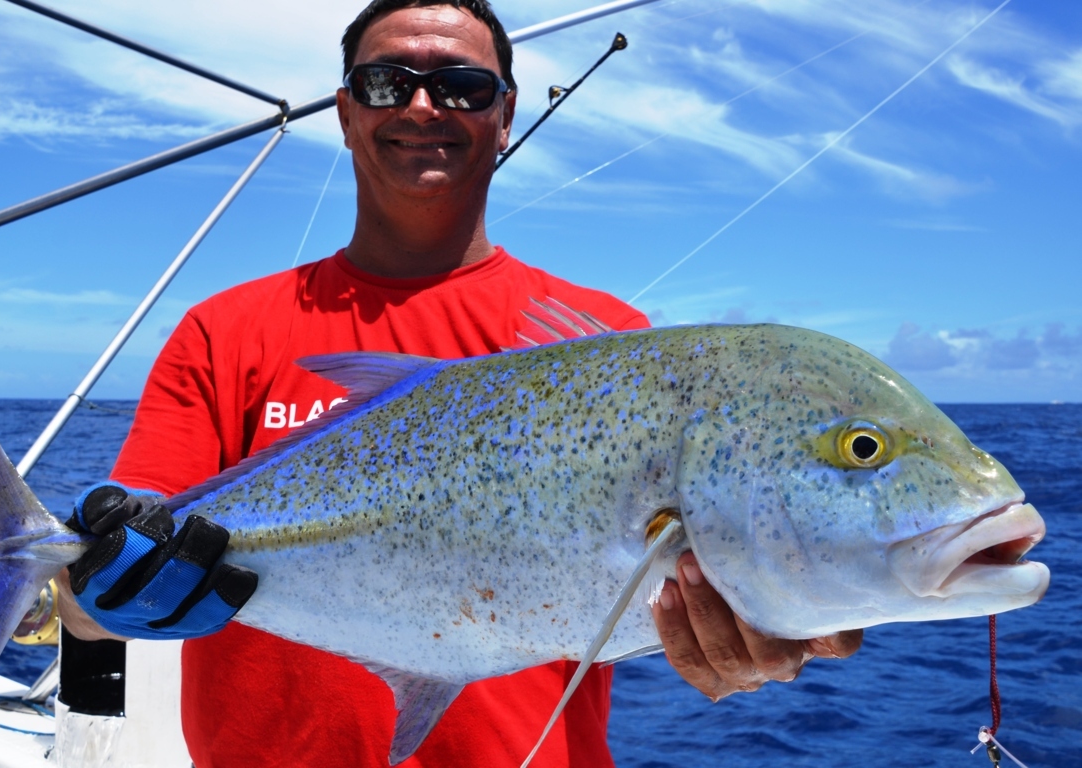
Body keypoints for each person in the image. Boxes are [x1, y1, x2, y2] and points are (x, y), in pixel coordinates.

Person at [58, 1, 863, 765]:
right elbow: (91, 595)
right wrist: (96, 595)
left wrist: (764, 645)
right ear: (345, 113)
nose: (420, 106)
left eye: (461, 86)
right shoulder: (226, 329)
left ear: (504, 116)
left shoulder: (605, 341)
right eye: (385, 82)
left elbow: (680, 592)